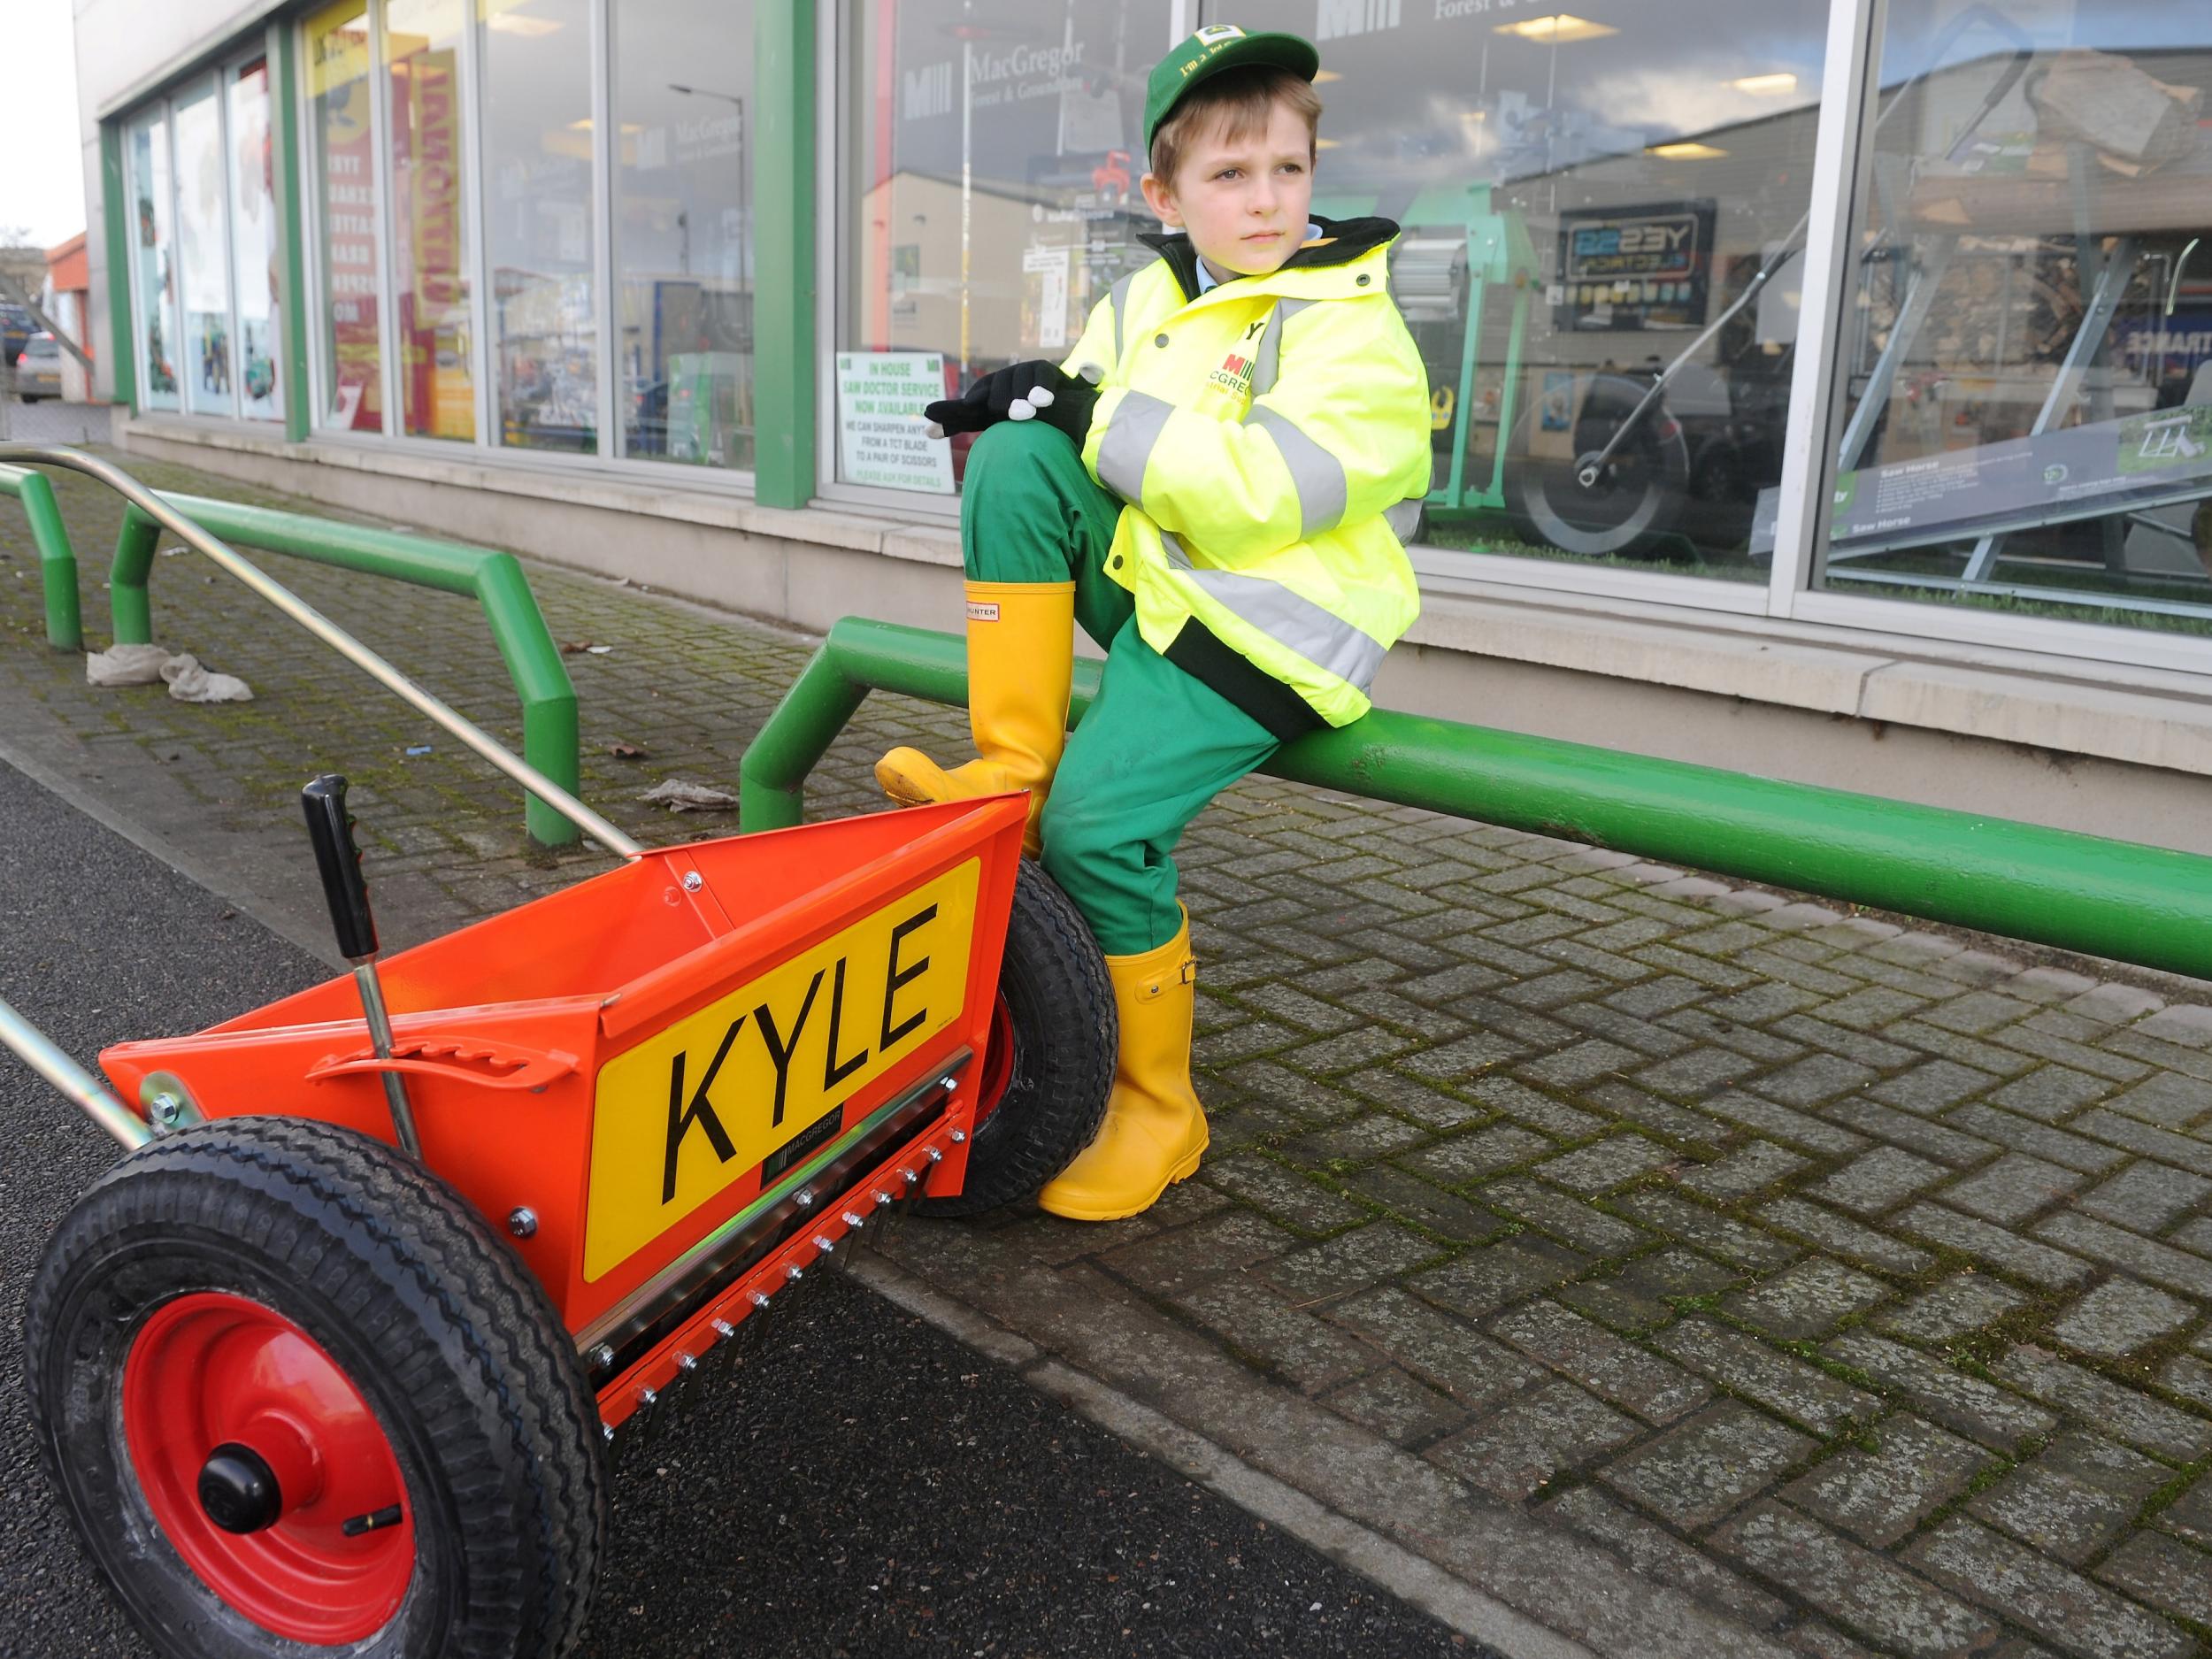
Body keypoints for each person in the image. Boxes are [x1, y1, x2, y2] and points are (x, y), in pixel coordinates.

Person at [877, 24, 1431, 1221]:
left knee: (1095, 833)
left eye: (1286, 168)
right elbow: (1084, 446)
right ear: (1165, 193)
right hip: (1169, 592)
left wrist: (1091, 412)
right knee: (1017, 458)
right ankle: (1011, 763)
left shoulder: (1350, 319)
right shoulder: (1152, 296)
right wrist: (1040, 407)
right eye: (1229, 176)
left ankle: (1159, 1109)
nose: (1266, 199)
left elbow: (1258, 504)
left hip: (1269, 630)